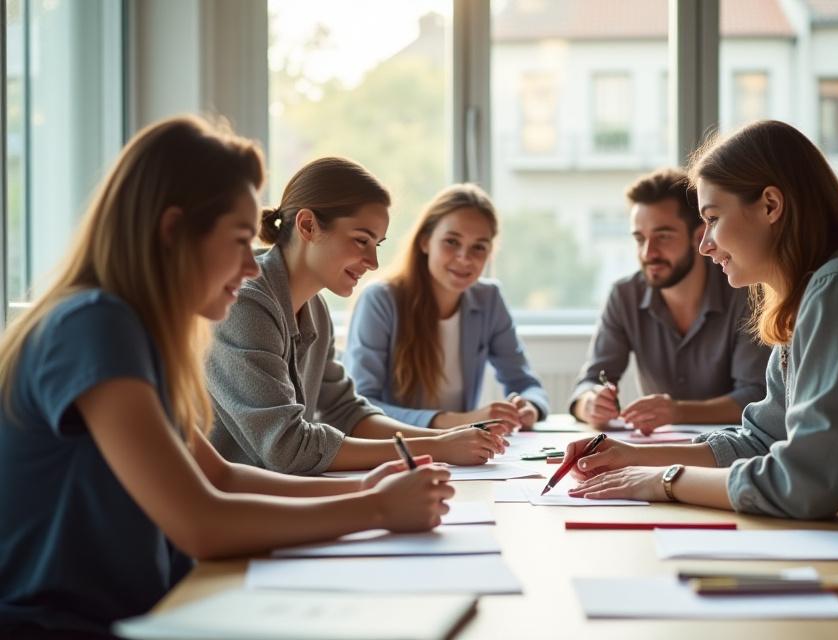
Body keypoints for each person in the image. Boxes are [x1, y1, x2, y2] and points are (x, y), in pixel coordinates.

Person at [0, 117, 454, 638]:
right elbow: (201, 524)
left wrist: (359, 489)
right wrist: (373, 508)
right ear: (173, 231)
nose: (250, 265)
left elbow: (218, 476)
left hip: (142, 613)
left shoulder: (132, 331)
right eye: (240, 241)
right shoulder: (95, 326)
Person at [562, 120, 838, 573]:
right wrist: (634, 455)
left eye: (711, 219)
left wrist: (663, 480)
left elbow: (803, 484)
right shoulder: (813, 295)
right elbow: (763, 438)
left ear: (771, 205)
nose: (706, 244)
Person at [206, 161, 506, 475]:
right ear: (307, 226)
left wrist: (446, 439)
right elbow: (287, 447)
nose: (374, 262)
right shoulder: (243, 302)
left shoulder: (315, 309)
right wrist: (436, 447)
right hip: (228, 509)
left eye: (376, 245)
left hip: (278, 496)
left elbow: (347, 412)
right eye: (362, 240)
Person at [570, 168, 769, 434]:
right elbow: (590, 381)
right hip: (660, 449)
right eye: (639, 239)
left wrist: (676, 411)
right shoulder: (624, 295)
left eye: (663, 236)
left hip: (737, 447)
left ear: (699, 236)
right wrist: (590, 403)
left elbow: (755, 396)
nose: (648, 253)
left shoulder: (745, 292)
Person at [344, 184, 549, 430]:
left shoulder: (489, 299)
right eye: (452, 242)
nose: (464, 258)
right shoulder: (380, 300)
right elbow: (360, 407)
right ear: (425, 242)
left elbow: (526, 383)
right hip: (399, 449)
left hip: (461, 452)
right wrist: (454, 422)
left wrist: (529, 407)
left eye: (479, 247)